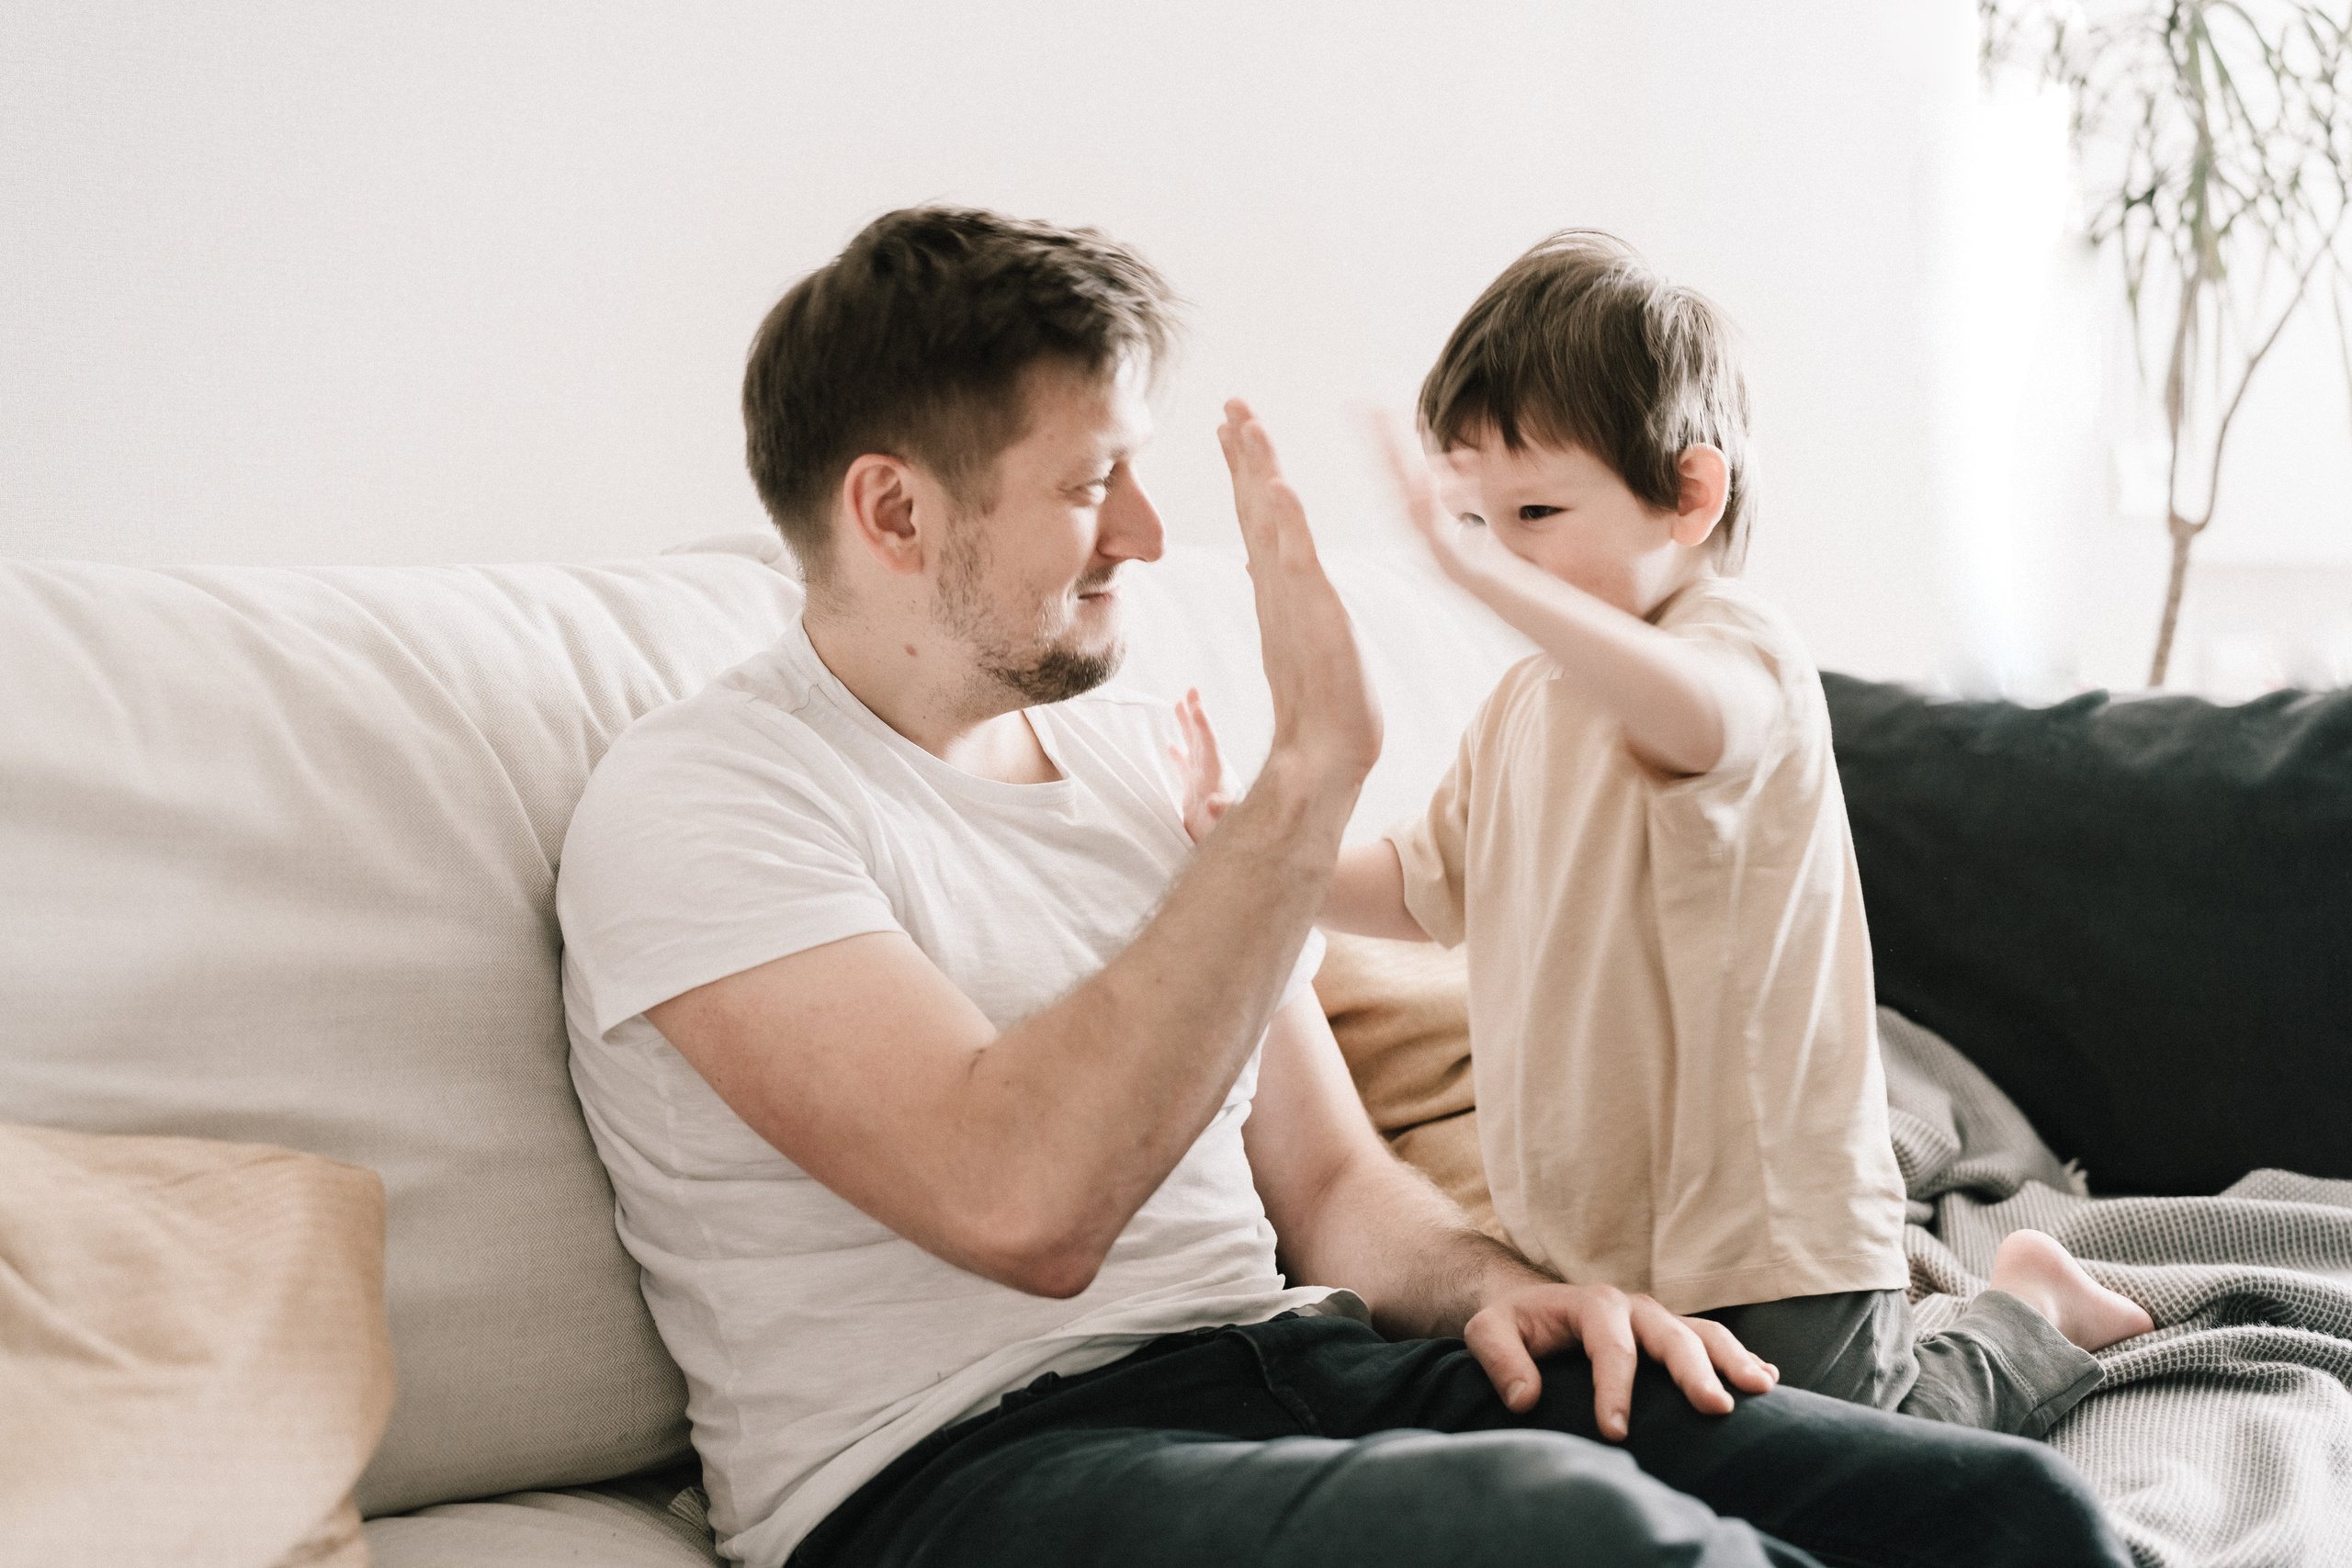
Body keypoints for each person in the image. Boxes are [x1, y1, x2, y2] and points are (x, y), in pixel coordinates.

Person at [554, 206, 2130, 1568]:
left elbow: (1330, 1188)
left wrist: (1505, 1291)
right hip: (960, 1476)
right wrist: (1303, 791)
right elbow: (1022, 1207)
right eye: (1095, 483)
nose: (1152, 536)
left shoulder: (1119, 767)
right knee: (1581, 1542)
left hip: (1291, 1370)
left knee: (2006, 1522)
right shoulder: (703, 800)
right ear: (895, 510)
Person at [1319, 229, 2154, 1431]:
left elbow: (1699, 724)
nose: (1501, 555)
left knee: (1872, 1436)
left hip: (1771, 1227)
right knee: (1684, 1447)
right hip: (1596, 1239)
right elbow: (1422, 885)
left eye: (1536, 511)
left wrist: (1481, 581)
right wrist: (1265, 858)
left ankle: (2027, 1307)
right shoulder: (1520, 708)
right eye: (1481, 522)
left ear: (1689, 495)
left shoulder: (1732, 648)